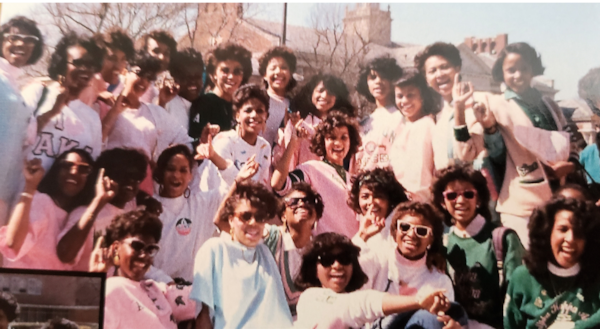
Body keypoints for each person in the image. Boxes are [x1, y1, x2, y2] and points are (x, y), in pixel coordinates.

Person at [472, 42, 574, 247]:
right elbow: (495, 152)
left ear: (533, 69)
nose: (518, 75)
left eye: (524, 69)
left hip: (557, 198)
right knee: (527, 263)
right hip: (521, 203)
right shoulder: (496, 104)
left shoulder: (549, 104)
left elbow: (571, 137)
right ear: (501, 72)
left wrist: (570, 162)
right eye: (511, 70)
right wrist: (489, 127)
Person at [294, 232, 455, 329]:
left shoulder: (353, 297)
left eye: (345, 258)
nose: (337, 266)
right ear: (313, 268)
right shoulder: (311, 298)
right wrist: (418, 301)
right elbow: (357, 305)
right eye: (327, 260)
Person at [431, 164, 525, 329]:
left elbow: (518, 296)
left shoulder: (503, 239)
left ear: (479, 199)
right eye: (452, 195)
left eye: (468, 194)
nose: (460, 201)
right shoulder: (442, 244)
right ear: (442, 202)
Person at [147, 144, 257, 283]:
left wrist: (216, 158)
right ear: (160, 172)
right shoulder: (148, 207)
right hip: (157, 290)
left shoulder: (201, 204)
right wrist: (166, 282)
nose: (176, 175)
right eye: (170, 169)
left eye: (183, 170)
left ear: (190, 176)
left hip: (192, 295)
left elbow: (230, 189)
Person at [191, 181, 294, 329]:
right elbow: (203, 315)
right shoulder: (214, 250)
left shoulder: (264, 253)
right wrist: (237, 181)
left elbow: (279, 313)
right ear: (231, 219)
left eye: (260, 217)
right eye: (246, 216)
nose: (253, 222)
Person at [357, 202, 467, 329]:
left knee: (433, 318)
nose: (411, 234)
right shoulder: (377, 260)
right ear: (394, 231)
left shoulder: (439, 281)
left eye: (421, 231)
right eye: (404, 227)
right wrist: (362, 236)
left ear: (431, 239)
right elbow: (347, 292)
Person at [504, 198, 600, 328]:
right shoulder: (523, 277)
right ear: (547, 231)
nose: (570, 239)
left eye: (578, 232)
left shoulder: (596, 276)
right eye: (563, 229)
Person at [99, 210, 196, 328]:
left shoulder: (154, 289)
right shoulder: (112, 289)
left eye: (150, 249)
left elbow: (200, 298)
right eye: (137, 246)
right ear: (115, 248)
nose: (144, 255)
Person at [22, 32, 104, 172]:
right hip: (21, 189)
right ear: (61, 64)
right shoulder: (38, 93)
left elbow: (91, 165)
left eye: (91, 65)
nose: (85, 69)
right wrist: (52, 112)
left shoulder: (92, 118)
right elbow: (12, 139)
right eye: (78, 63)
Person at [272, 110, 362, 238]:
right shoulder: (311, 169)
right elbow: (278, 184)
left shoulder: (353, 180)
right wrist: (293, 143)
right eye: (332, 137)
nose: (338, 143)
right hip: (323, 249)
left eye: (344, 137)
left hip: (350, 251)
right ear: (322, 141)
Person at [0, 150, 95, 270]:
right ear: (56, 171)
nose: (74, 172)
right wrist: (30, 187)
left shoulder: (82, 216)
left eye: (83, 169)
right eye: (67, 165)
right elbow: (12, 245)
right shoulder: (41, 202)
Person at [57, 148, 148, 271]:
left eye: (137, 177)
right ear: (103, 177)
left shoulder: (131, 211)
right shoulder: (84, 213)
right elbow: (65, 255)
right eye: (123, 175)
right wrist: (99, 201)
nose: (131, 181)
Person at [102, 50, 192, 164]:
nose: (143, 82)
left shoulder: (154, 111)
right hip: (113, 175)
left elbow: (184, 140)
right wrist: (115, 109)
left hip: (144, 178)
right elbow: (96, 143)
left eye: (149, 78)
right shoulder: (106, 104)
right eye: (139, 73)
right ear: (125, 72)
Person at [0, 16, 44, 226]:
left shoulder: (17, 90)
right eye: (13, 37)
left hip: (5, 194)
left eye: (29, 39)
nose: (20, 43)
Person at [414, 42, 484, 172]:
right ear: (426, 80)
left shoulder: (479, 102)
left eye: (445, 67)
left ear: (458, 68)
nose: (439, 74)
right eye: (432, 71)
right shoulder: (439, 119)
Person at [262, 182, 324, 317]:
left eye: (308, 201)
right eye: (293, 202)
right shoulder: (270, 237)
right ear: (283, 215)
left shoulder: (322, 250)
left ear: (316, 215)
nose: (301, 204)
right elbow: (223, 222)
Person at [273, 73, 356, 171]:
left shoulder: (344, 127)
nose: (324, 96)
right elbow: (284, 160)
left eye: (330, 93)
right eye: (320, 91)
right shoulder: (299, 124)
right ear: (311, 93)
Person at [200, 84, 272, 188]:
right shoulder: (224, 140)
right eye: (248, 110)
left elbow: (261, 186)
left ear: (266, 116)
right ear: (237, 116)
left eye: (259, 111)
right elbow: (228, 182)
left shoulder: (264, 147)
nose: (254, 115)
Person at [389, 69, 439, 200]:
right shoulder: (400, 127)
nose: (404, 101)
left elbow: (419, 172)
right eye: (400, 96)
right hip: (398, 197)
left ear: (422, 96)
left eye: (410, 95)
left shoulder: (426, 125)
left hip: (417, 199)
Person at [188, 42, 252, 138]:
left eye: (237, 72)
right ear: (213, 74)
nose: (231, 76)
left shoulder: (242, 105)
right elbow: (194, 140)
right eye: (225, 71)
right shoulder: (203, 103)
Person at [353, 56, 403, 173]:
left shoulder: (402, 118)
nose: (378, 81)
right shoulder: (363, 122)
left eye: (384, 77)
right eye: (373, 77)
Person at [348, 167, 409, 253]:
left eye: (378, 196)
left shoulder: (402, 229)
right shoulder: (362, 230)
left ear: (390, 199)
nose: (371, 202)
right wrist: (363, 235)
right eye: (365, 196)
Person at [84, 29, 135, 119]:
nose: (119, 66)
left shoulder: (104, 93)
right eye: (112, 58)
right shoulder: (84, 87)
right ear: (98, 58)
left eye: (123, 59)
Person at [258, 46, 297, 146]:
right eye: (273, 68)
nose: (278, 72)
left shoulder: (294, 105)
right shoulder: (256, 100)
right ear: (264, 75)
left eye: (284, 68)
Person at [164, 48, 204, 133]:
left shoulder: (204, 104)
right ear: (175, 78)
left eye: (197, 76)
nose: (193, 82)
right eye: (187, 77)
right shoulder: (168, 105)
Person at [139, 30, 178, 104]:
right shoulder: (136, 83)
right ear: (144, 52)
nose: (161, 57)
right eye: (156, 51)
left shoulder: (164, 87)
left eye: (166, 53)